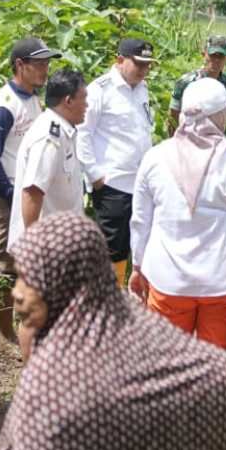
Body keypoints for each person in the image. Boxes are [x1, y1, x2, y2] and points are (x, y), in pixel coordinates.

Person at [0, 213, 226, 450]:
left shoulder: (50, 389)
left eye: (28, 279)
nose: (17, 293)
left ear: (62, 282)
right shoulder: (141, 323)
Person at [129, 78, 226, 354]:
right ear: (217, 117)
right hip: (223, 284)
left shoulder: (154, 158)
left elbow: (140, 221)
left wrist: (137, 267)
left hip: (168, 283)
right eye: (225, 112)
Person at [0, 37, 61, 343]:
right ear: (19, 66)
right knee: (7, 265)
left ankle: (34, 324)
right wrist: (12, 196)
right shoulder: (3, 107)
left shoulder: (33, 97)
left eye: (47, 64)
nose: (45, 70)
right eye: (38, 64)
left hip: (28, 197)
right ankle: (6, 334)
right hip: (9, 198)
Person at [77, 38, 157, 288]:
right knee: (113, 248)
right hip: (113, 185)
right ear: (120, 60)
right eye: (139, 64)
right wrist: (94, 175)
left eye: (148, 65)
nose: (144, 70)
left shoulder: (142, 89)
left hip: (142, 183)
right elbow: (82, 132)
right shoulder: (100, 90)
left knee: (141, 244)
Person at [8, 69, 88, 252]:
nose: (87, 105)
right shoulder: (48, 137)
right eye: (84, 98)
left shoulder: (62, 131)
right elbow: (32, 191)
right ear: (68, 101)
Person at [168, 35, 226, 133]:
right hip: (190, 136)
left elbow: (225, 114)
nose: (216, 60)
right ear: (204, 55)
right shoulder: (187, 81)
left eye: (221, 56)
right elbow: (172, 117)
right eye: (212, 55)